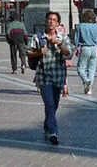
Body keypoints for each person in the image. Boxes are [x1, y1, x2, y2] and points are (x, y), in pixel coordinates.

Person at [27, 11, 73, 145]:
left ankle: (47, 124)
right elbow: (28, 53)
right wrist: (38, 52)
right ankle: (53, 132)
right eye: (49, 19)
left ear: (58, 23)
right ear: (46, 21)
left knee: (55, 104)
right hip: (43, 75)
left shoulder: (63, 37)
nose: (51, 22)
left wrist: (59, 44)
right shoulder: (38, 37)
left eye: (54, 20)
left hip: (58, 76)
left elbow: (69, 54)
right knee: (49, 103)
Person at [73, 9, 97, 95]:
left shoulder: (80, 26)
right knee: (92, 69)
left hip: (84, 47)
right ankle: (89, 88)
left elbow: (76, 38)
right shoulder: (96, 27)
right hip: (94, 47)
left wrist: (76, 48)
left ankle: (85, 80)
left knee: (80, 68)